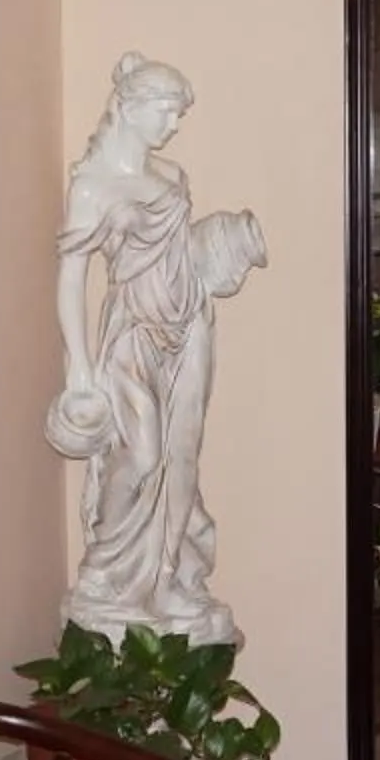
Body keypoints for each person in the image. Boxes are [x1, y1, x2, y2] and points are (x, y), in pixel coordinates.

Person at [48, 54, 265, 646]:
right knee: (141, 456)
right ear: (130, 105)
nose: (173, 124)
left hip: (191, 322)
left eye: (178, 112)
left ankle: (168, 577)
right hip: (133, 331)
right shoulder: (92, 185)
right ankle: (103, 573)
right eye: (166, 110)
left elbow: (181, 252)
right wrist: (81, 371)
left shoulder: (171, 175)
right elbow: (71, 281)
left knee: (182, 460)